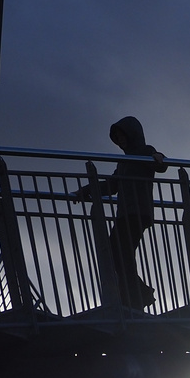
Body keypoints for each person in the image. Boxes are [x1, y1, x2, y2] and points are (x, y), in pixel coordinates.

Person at [75, 117, 167, 309]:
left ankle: (138, 296)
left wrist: (159, 158)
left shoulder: (144, 151)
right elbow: (113, 185)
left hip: (138, 213)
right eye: (117, 138)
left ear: (132, 134)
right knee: (119, 254)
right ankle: (137, 295)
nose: (120, 140)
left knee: (118, 252)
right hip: (126, 214)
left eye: (122, 136)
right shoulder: (124, 161)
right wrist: (87, 190)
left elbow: (159, 163)